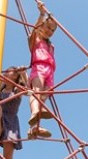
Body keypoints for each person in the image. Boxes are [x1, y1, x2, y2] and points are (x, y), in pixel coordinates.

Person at [27, 1, 57, 139]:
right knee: (36, 92)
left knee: (44, 96)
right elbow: (34, 29)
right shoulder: (35, 39)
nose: (49, 32)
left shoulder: (52, 46)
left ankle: (36, 127)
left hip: (50, 71)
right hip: (38, 67)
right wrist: (42, 14)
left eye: (52, 30)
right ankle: (34, 114)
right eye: (48, 27)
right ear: (42, 26)